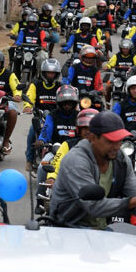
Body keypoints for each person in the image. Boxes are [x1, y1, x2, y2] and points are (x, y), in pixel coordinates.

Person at [50, 111, 136, 229]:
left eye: (119, 140)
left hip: (100, 229)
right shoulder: (76, 160)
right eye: (110, 141)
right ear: (93, 137)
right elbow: (94, 206)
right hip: (68, 229)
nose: (116, 146)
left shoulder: (121, 160)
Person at [35, 85, 79, 214]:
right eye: (64, 103)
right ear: (59, 103)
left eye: (69, 103)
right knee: (41, 168)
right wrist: (42, 140)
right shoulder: (52, 116)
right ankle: (40, 200)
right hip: (54, 151)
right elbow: (46, 130)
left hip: (75, 152)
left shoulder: (79, 116)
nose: (67, 106)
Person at [24, 58, 62, 171]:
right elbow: (29, 97)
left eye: (53, 73)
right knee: (32, 132)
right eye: (48, 73)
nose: (50, 75)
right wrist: (27, 106)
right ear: (44, 73)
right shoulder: (36, 85)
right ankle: (29, 160)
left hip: (56, 118)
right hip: (40, 118)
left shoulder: (60, 86)